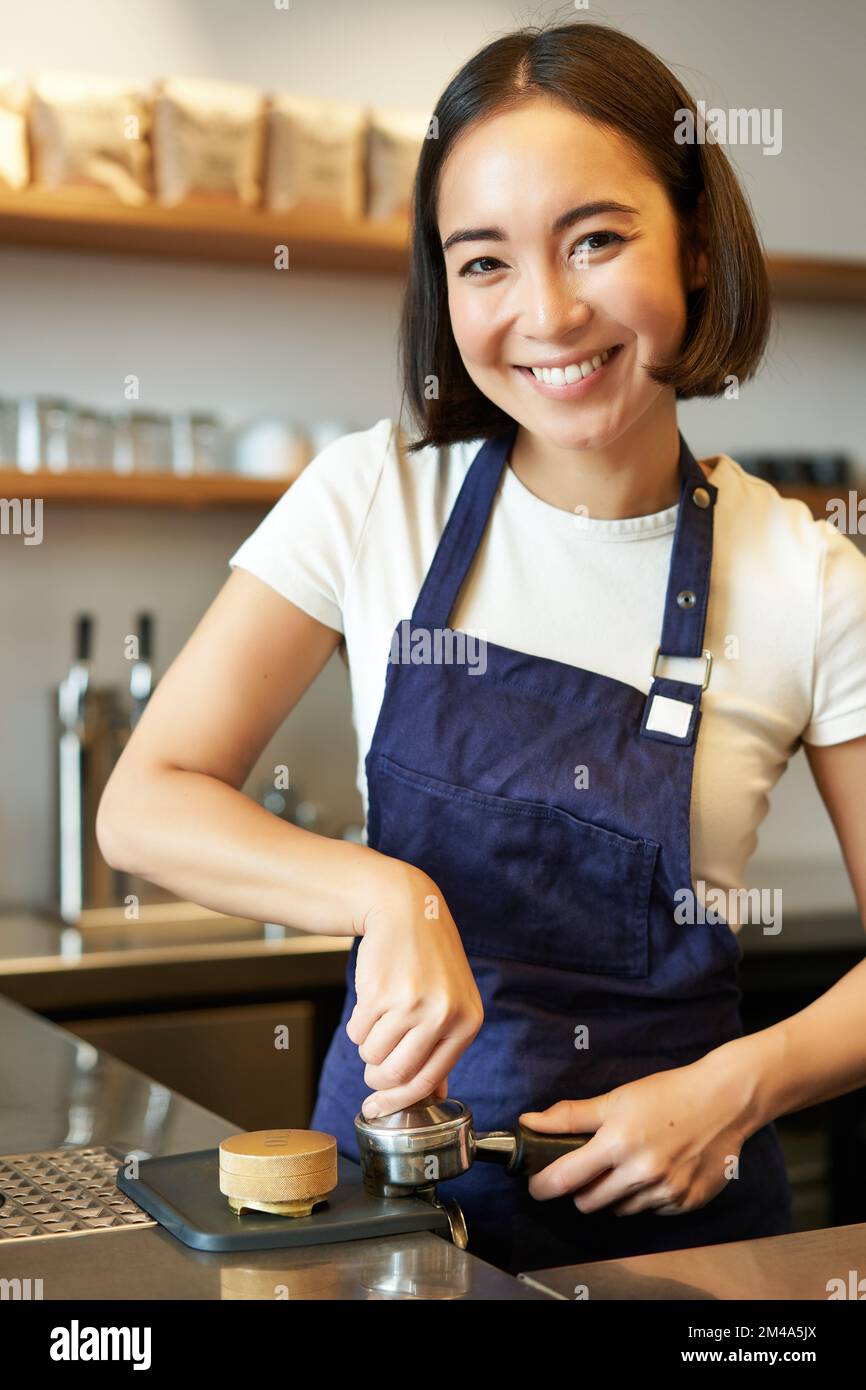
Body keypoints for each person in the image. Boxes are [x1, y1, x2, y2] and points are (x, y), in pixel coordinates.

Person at [97, 21, 866, 1276]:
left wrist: (741, 1086)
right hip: (381, 1233)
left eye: (596, 239)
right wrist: (383, 892)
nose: (546, 313)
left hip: (681, 1252)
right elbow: (143, 806)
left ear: (693, 240)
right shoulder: (371, 498)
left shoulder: (806, 577)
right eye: (482, 261)